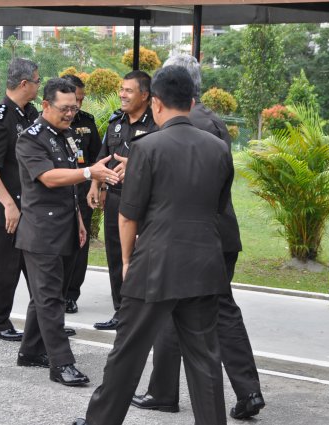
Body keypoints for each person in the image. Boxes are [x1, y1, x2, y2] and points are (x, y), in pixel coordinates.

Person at [74, 65, 233, 425]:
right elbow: (219, 207)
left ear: (156, 103)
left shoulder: (146, 147)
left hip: (156, 262)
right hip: (205, 264)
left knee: (127, 353)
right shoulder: (219, 149)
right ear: (191, 103)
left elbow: (128, 215)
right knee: (205, 360)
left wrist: (128, 261)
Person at [130, 54, 265, 420]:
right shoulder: (211, 121)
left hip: (196, 237)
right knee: (215, 312)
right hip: (215, 234)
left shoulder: (189, 125)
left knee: (181, 308)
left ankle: (167, 392)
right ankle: (240, 389)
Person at [14, 78, 118, 386]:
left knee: (51, 294)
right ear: (45, 105)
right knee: (49, 299)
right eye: (64, 108)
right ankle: (61, 363)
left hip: (66, 225)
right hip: (41, 230)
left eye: (75, 107)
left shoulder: (67, 134)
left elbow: (71, 191)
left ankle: (31, 350)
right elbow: (48, 177)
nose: (71, 114)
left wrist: (79, 221)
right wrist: (89, 172)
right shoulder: (31, 138)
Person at [87, 70, 158, 331]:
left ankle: (146, 313)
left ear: (145, 95)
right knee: (116, 257)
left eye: (128, 90)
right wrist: (96, 184)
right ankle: (122, 312)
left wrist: (137, 166)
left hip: (146, 203)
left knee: (145, 256)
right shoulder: (116, 123)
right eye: (121, 89)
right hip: (116, 199)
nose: (122, 94)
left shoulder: (157, 126)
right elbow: (103, 157)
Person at [0, 58, 40, 341]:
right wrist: (9, 205)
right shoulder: (1, 117)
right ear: (24, 84)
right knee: (5, 267)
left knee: (34, 266)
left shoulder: (29, 113)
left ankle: (44, 321)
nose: (39, 85)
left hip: (26, 205)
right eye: (37, 81)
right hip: (3, 207)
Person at [60, 74, 102, 314]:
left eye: (82, 100)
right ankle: (54, 292)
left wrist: (99, 186)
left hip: (82, 191)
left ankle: (71, 294)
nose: (79, 106)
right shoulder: (46, 122)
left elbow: (97, 157)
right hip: (56, 192)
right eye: (76, 99)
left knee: (80, 243)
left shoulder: (87, 121)